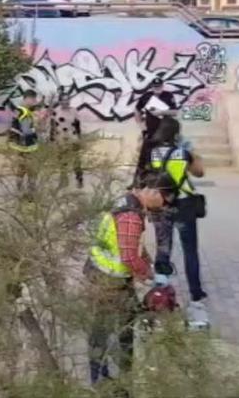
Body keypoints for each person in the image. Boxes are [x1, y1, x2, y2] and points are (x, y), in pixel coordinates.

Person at [86, 172, 176, 393]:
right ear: (153, 192)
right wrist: (149, 275)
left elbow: (133, 245)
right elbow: (128, 257)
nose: (163, 206)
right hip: (108, 282)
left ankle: (110, 377)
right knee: (112, 331)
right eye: (164, 201)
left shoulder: (130, 204)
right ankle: (107, 382)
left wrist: (150, 264)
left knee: (115, 328)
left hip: (109, 278)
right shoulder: (130, 216)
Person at [147, 116, 209, 327]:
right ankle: (195, 297)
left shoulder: (153, 152)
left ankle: (160, 293)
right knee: (190, 251)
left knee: (163, 249)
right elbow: (199, 172)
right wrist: (193, 152)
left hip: (162, 205)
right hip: (184, 205)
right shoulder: (183, 153)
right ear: (176, 134)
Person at [133, 77, 178, 186]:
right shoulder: (147, 96)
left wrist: (161, 112)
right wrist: (142, 126)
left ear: (162, 86)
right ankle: (137, 182)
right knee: (143, 159)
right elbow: (137, 110)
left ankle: (168, 182)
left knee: (166, 158)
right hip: (150, 132)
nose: (157, 89)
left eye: (159, 86)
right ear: (152, 87)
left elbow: (175, 112)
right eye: (155, 87)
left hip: (166, 133)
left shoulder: (168, 96)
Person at [8, 90, 40, 196]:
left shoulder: (18, 110)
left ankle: (19, 189)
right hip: (26, 145)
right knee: (31, 167)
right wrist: (36, 131)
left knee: (21, 167)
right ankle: (30, 190)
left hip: (19, 145)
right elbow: (26, 131)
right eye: (34, 99)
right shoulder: (25, 112)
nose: (35, 101)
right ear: (28, 98)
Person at [49, 91, 83, 188]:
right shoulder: (56, 111)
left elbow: (78, 126)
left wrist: (80, 138)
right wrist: (52, 140)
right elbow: (52, 126)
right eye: (63, 100)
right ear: (60, 101)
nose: (66, 102)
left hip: (72, 138)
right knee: (62, 161)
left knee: (76, 160)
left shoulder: (74, 111)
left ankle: (79, 179)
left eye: (67, 99)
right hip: (61, 139)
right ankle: (64, 180)